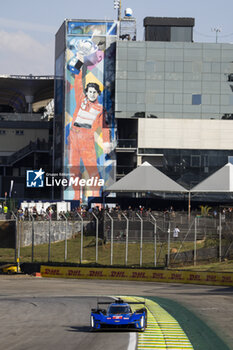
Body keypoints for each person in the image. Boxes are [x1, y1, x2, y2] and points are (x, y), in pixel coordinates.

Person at [68, 50, 111, 202]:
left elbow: (105, 126)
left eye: (94, 92)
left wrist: (106, 142)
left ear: (98, 94)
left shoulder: (100, 109)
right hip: (74, 137)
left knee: (92, 171)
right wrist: (79, 62)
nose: (92, 94)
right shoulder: (81, 98)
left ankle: (95, 200)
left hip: (87, 140)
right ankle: (76, 197)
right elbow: (77, 80)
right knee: (74, 168)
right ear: (86, 92)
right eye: (90, 91)